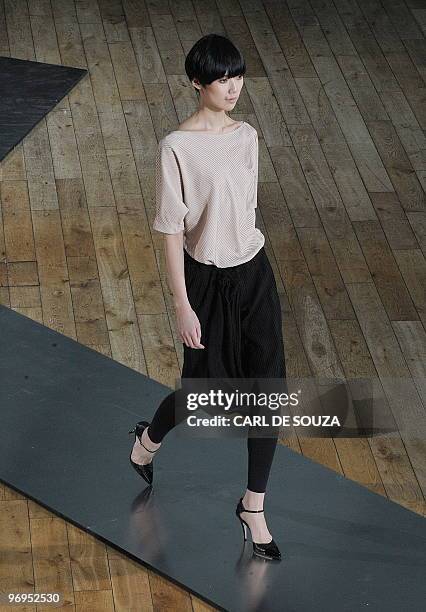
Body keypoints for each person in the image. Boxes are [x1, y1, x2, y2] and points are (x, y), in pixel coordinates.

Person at [128, 33, 287, 561]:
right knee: (204, 396)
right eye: (222, 78)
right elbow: (172, 229)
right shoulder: (176, 147)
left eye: (238, 75)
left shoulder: (248, 136)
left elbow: (246, 208)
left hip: (255, 274)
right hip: (206, 281)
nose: (233, 86)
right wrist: (182, 303)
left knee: (269, 395)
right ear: (199, 82)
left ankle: (253, 506)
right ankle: (149, 439)